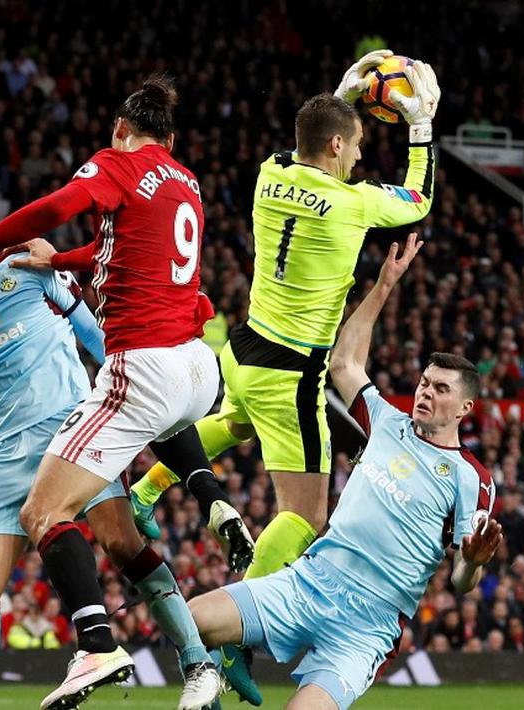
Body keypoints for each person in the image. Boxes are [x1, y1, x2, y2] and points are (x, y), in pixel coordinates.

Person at [129, 50, 440, 588]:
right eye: (358, 146)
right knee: (306, 515)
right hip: (292, 368)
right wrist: (421, 126)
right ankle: (236, 629)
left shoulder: (268, 174)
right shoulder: (353, 203)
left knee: (233, 423)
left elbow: (306, 142)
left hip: (246, 348)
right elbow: (418, 200)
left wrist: (341, 100)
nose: (361, 158)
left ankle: (146, 490)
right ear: (338, 145)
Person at [0, 206, 220, 710]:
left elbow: (99, 339)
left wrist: (135, 394)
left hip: (73, 431)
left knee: (123, 543)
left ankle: (195, 659)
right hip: (8, 451)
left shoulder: (28, 273)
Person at [188, 234, 502, 709]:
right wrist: (384, 285)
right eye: (423, 382)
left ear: (465, 407)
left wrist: (474, 562)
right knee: (190, 620)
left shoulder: (470, 478)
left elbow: (460, 581)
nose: (425, 392)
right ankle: (207, 689)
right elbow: (345, 362)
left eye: (439, 388)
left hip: (369, 623)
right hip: (311, 581)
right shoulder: (386, 422)